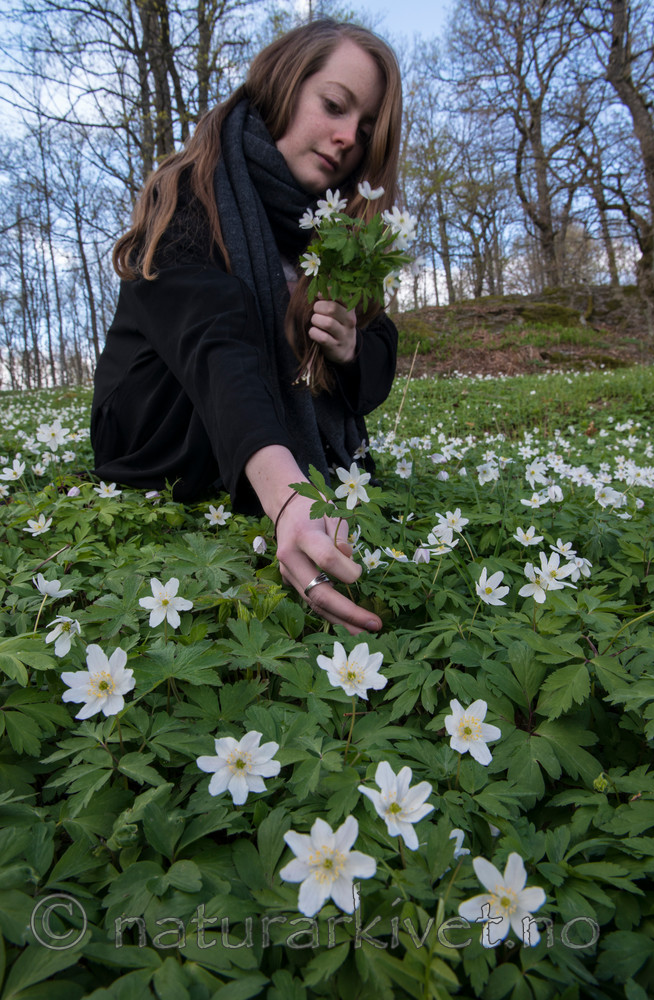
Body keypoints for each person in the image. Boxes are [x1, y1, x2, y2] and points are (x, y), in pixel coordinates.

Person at [91, 18, 402, 635]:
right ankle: (267, 477)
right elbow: (217, 345)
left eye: (364, 129)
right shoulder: (189, 190)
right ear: (285, 85)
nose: (346, 138)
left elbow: (381, 346)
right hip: (157, 431)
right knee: (236, 304)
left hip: (238, 421)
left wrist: (348, 349)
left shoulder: (334, 233)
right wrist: (292, 499)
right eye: (334, 106)